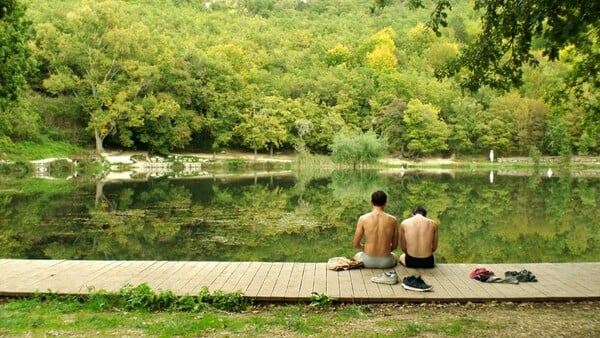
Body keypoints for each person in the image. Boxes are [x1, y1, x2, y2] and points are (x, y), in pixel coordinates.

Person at [352, 190, 399, 268]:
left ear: (371, 201)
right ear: (385, 202)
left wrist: (365, 248)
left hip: (367, 261)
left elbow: (356, 244)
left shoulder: (363, 219)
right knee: (395, 256)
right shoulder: (393, 220)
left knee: (357, 255)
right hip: (386, 262)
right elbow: (394, 245)